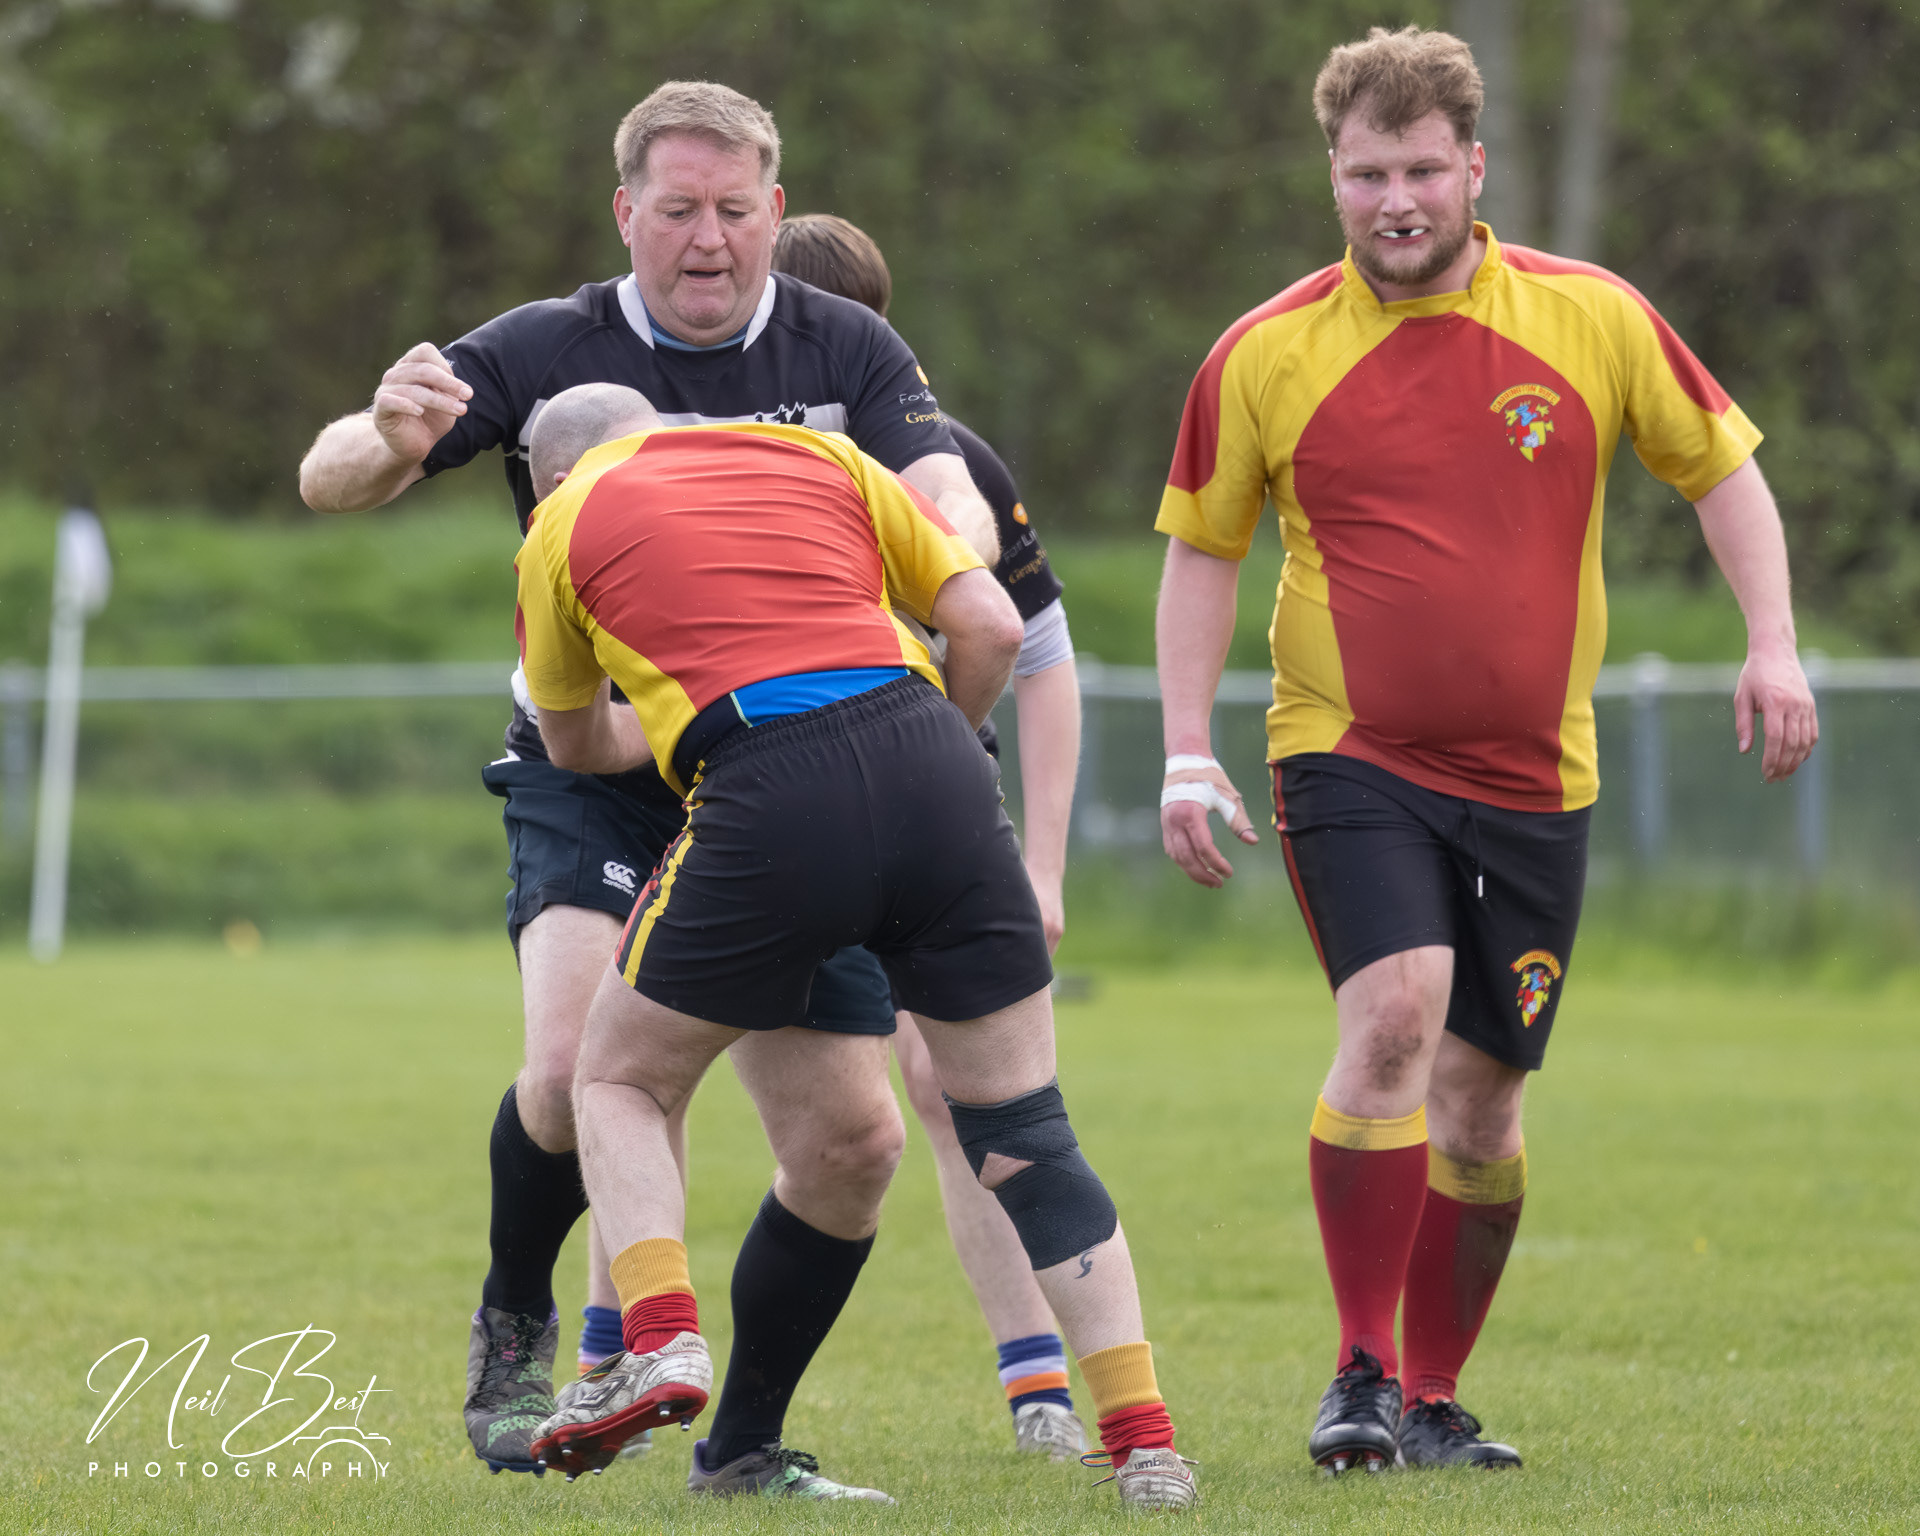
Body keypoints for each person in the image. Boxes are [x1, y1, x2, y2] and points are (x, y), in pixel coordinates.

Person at [297, 80, 1008, 1494]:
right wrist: (386, 433)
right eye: (678, 210)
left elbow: (952, 496)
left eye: (735, 211)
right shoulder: (548, 346)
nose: (707, 239)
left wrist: (945, 553)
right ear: (626, 213)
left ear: (775, 213)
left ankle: (741, 1452)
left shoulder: (844, 345)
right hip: (597, 764)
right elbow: (330, 480)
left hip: (790, 766)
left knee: (853, 1144)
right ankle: (517, 1315)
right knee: (576, 1072)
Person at [1151, 25, 1817, 1475]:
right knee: (1395, 1018)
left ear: (1474, 168)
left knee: (1483, 1102)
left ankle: (1435, 1398)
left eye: (1421, 170)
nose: (1396, 200)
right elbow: (1203, 551)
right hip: (1349, 751)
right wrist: (1186, 749)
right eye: (1367, 173)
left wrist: (1771, 641)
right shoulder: (1263, 352)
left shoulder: (1594, 316)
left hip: (1536, 777)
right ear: (1333, 177)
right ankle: (1360, 1374)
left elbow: (1724, 472)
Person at [510, 386, 1196, 1511]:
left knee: (619, 1078)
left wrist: (683, 719)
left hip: (764, 787)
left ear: (548, 476)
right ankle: (1146, 1446)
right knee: (1027, 1134)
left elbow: (573, 742)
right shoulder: (818, 455)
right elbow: (992, 628)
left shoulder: (560, 520)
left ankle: (660, 1339)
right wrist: (935, 755)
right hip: (940, 767)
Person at [771, 212, 1088, 1459]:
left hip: (931, 808)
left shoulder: (951, 465)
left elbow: (1040, 656)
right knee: (645, 1071)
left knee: (963, 1095)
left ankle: (1041, 1389)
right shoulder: (718, 463)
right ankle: (617, 1357)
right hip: (758, 806)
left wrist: (1043, 866)